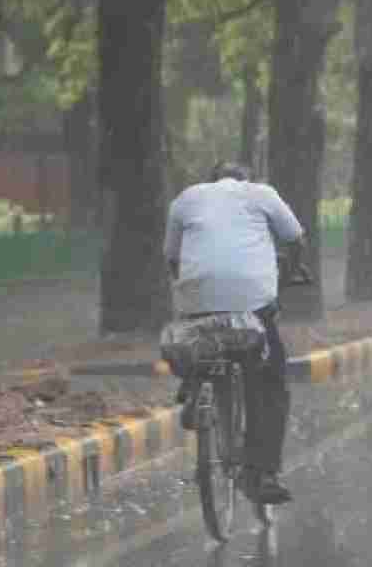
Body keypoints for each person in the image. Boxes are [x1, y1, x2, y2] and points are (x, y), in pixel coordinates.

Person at [164, 161, 311, 505]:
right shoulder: (261, 194)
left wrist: (190, 289)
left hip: (198, 303)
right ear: (245, 180)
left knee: (196, 335)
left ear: (210, 181)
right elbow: (296, 240)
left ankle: (194, 382)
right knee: (270, 380)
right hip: (252, 307)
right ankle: (261, 473)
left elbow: (172, 258)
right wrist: (284, 278)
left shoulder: (186, 198)